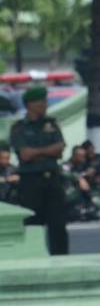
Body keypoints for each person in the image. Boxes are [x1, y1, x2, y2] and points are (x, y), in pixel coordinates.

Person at [9, 87, 68, 254]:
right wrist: (48, 151)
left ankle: (61, 259)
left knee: (58, 224)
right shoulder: (19, 128)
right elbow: (25, 155)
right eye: (41, 101)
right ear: (30, 104)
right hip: (31, 182)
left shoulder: (51, 124)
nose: (45, 104)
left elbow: (60, 148)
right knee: (33, 224)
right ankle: (35, 256)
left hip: (53, 180)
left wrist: (37, 152)